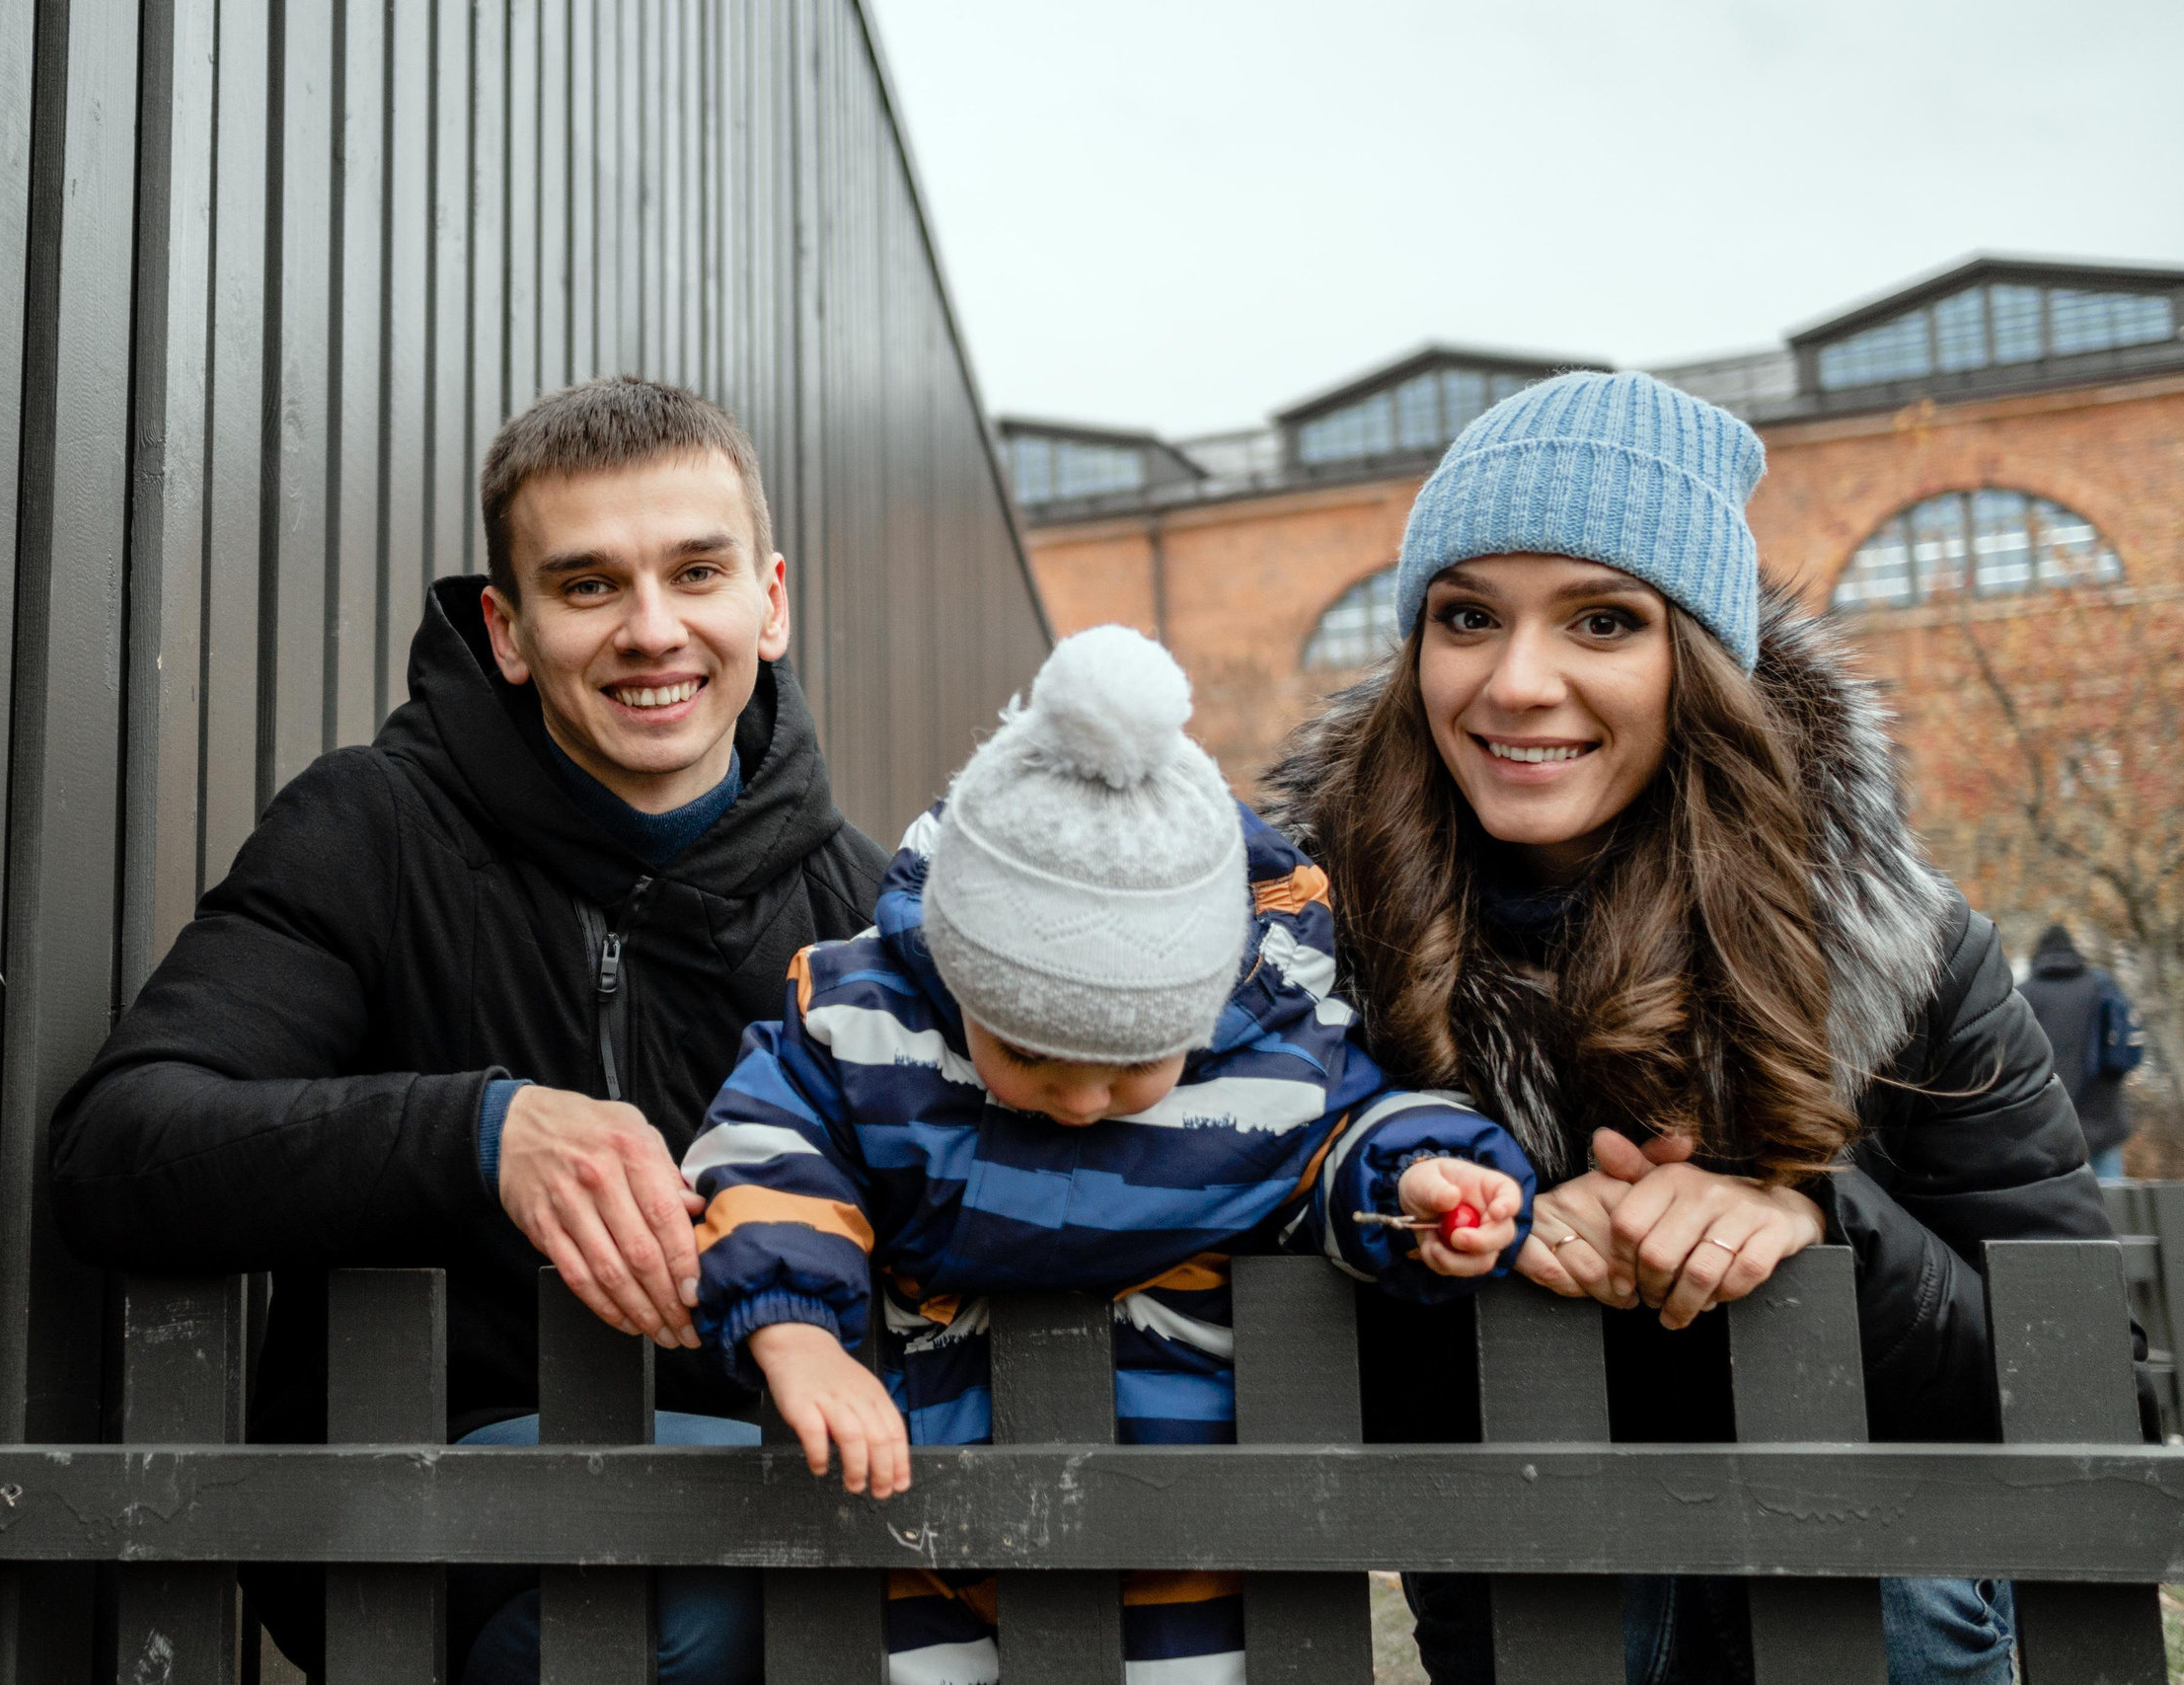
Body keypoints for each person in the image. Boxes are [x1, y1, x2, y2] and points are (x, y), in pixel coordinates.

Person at [1260, 371, 2113, 1685]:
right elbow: (1239, 1344)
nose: (1516, 680)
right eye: (1466, 616)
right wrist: (1467, 1241)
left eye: (1602, 620)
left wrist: (1819, 1225)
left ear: (1700, 658)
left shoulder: (1902, 942)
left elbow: (2079, 1366)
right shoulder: (1307, 951)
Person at [49, 376, 889, 1682]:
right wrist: (480, 1128)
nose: (654, 630)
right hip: (433, 1495)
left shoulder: (867, 909)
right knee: (696, 1602)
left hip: (782, 1497)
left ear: (767, 600)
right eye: (590, 584)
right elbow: (121, 1147)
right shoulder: (371, 830)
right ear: (508, 627)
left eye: (696, 571)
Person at [683, 626, 1536, 1685]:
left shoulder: (1267, 1058)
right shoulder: (872, 1034)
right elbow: (772, 1144)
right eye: (1030, 1052)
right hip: (910, 1511)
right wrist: (793, 1329)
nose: (1082, 1100)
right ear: (956, 978)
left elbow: (1347, 1133)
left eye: (1138, 1065)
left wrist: (1418, 1181)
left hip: (1184, 1528)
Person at [2017, 923, 2146, 1183]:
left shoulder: (2023, 997)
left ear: (2038, 954)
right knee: (2113, 1208)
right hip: (2103, 1119)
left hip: (2047, 1130)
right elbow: (2126, 1050)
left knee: (2056, 1210)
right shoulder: (2100, 987)